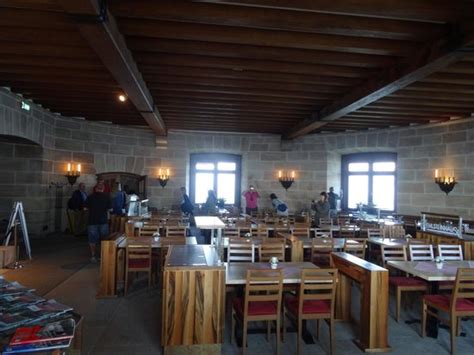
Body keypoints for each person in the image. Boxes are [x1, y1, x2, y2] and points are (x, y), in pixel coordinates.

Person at [85, 181, 111, 263]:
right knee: (104, 239)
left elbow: (85, 208)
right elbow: (110, 209)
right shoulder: (107, 197)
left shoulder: (90, 197)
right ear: (103, 189)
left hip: (92, 220)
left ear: (95, 189)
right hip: (103, 221)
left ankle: (93, 256)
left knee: (92, 239)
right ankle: (102, 255)